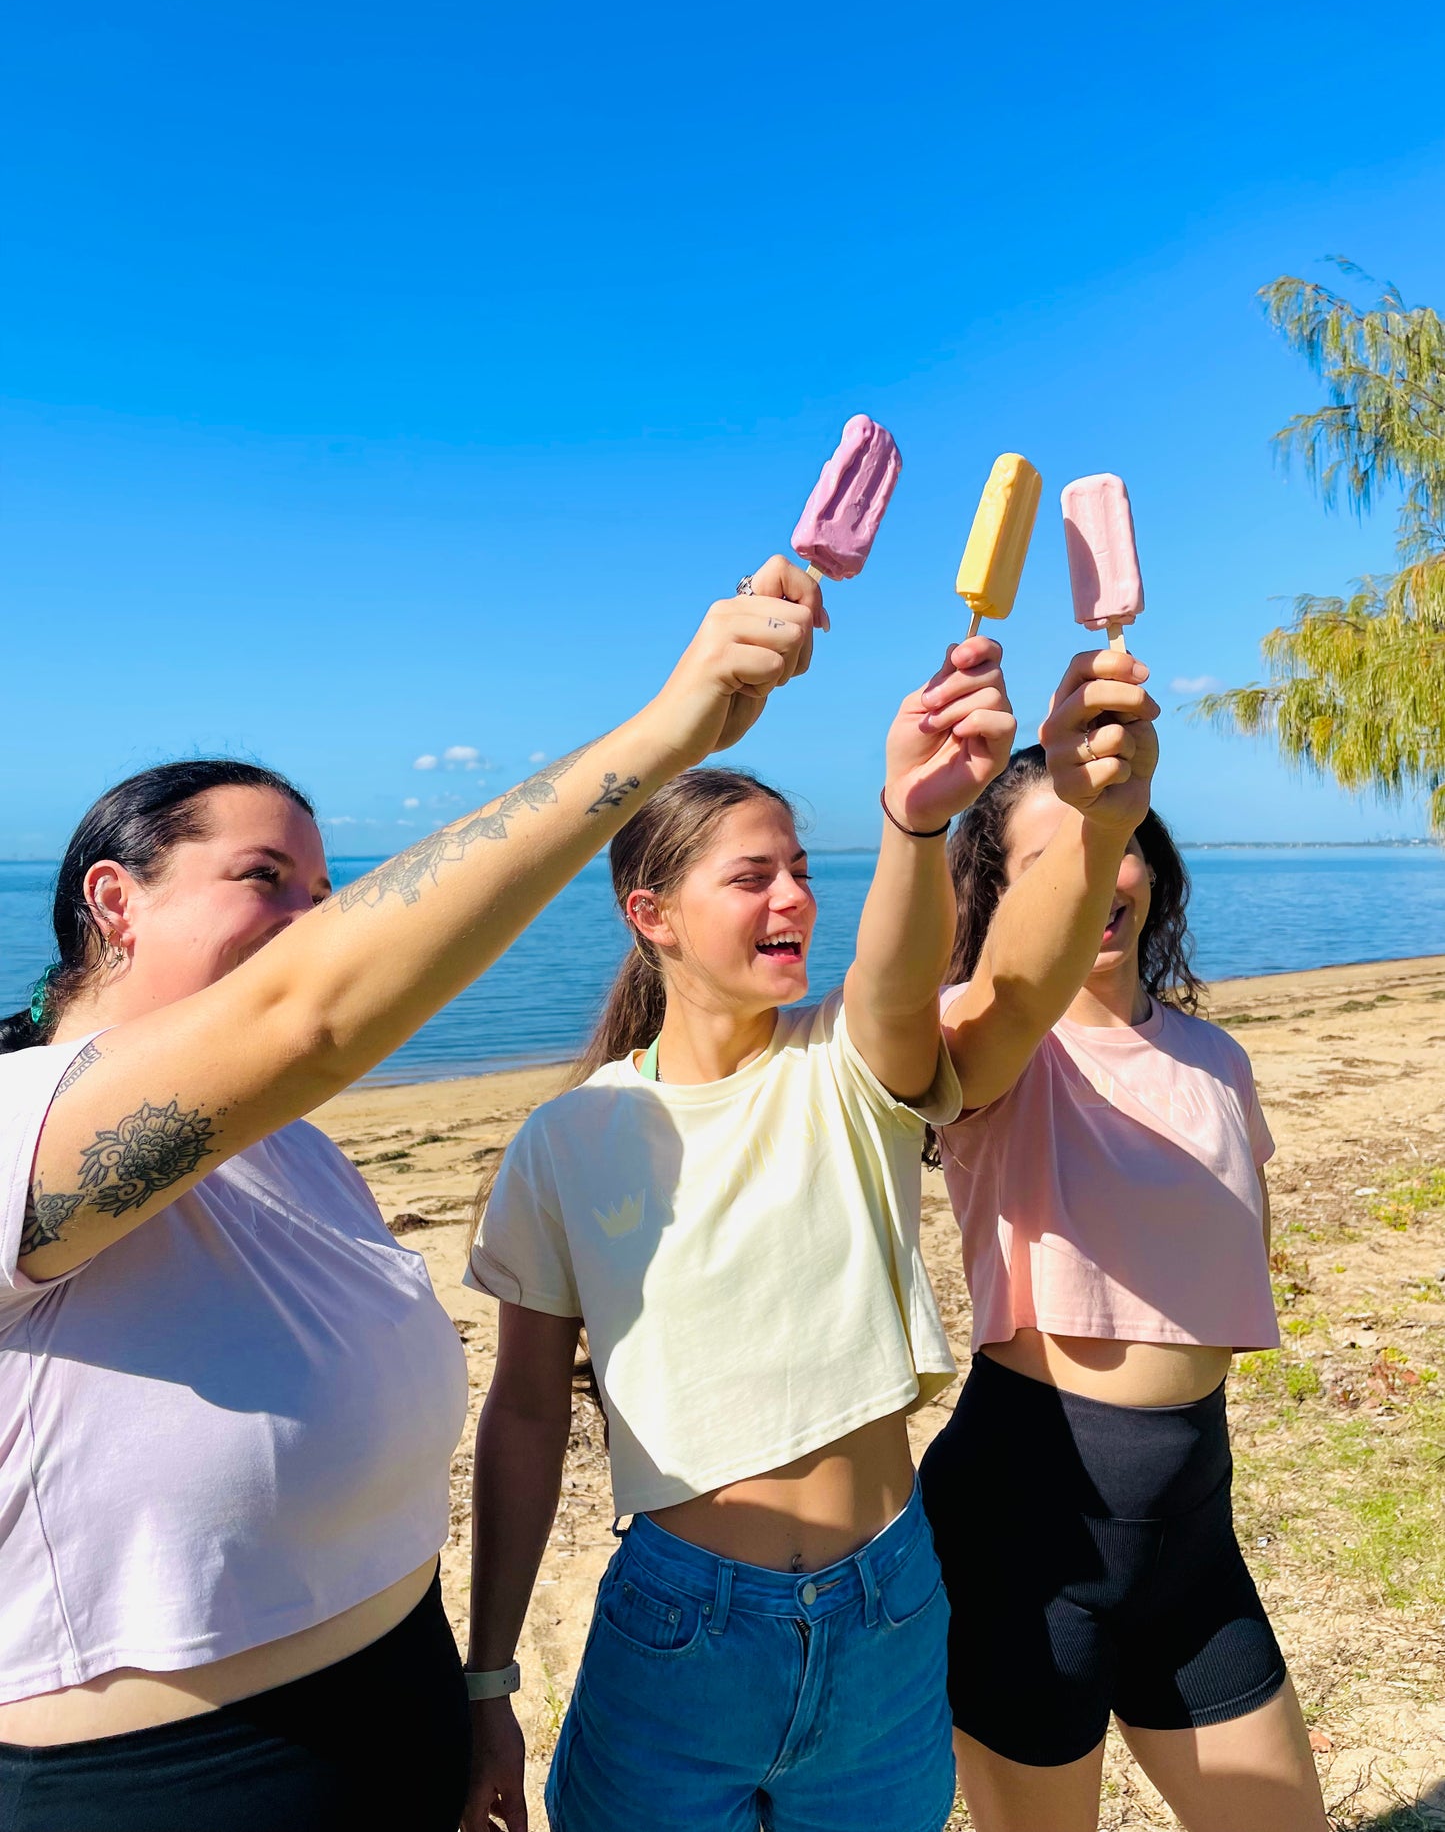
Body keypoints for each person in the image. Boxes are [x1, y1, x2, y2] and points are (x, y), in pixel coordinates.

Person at [0, 559, 821, 1832]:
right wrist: (669, 732)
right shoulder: (24, 1125)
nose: (312, 922)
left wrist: (474, 1691)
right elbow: (316, 1012)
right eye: (264, 879)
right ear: (116, 899)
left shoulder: (293, 1148)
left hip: (400, 1704)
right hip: (168, 1783)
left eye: (327, 897)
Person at [462, 637, 1016, 1832]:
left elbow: (898, 965)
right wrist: (489, 1676)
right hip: (679, 1628)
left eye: (803, 870)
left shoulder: (845, 1061)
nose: (794, 898)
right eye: (752, 876)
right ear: (648, 913)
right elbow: (522, 1408)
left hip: (888, 1603)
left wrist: (916, 828)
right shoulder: (566, 1140)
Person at [919, 649, 1329, 1832]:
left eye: (1113, 840)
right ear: (996, 893)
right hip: (1030, 1523)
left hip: (1193, 1518)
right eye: (1047, 856)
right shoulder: (989, 1040)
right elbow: (968, 1023)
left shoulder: (1213, 1058)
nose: (1097, 876)